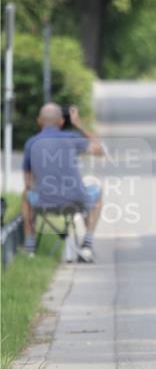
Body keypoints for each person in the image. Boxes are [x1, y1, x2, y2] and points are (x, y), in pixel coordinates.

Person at [22, 102, 105, 262]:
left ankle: (30, 247)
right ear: (61, 122)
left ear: (39, 121)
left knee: (25, 196)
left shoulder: (31, 143)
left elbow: (27, 182)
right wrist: (79, 124)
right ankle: (87, 245)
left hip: (43, 203)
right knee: (97, 191)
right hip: (77, 201)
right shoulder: (72, 138)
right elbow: (100, 151)